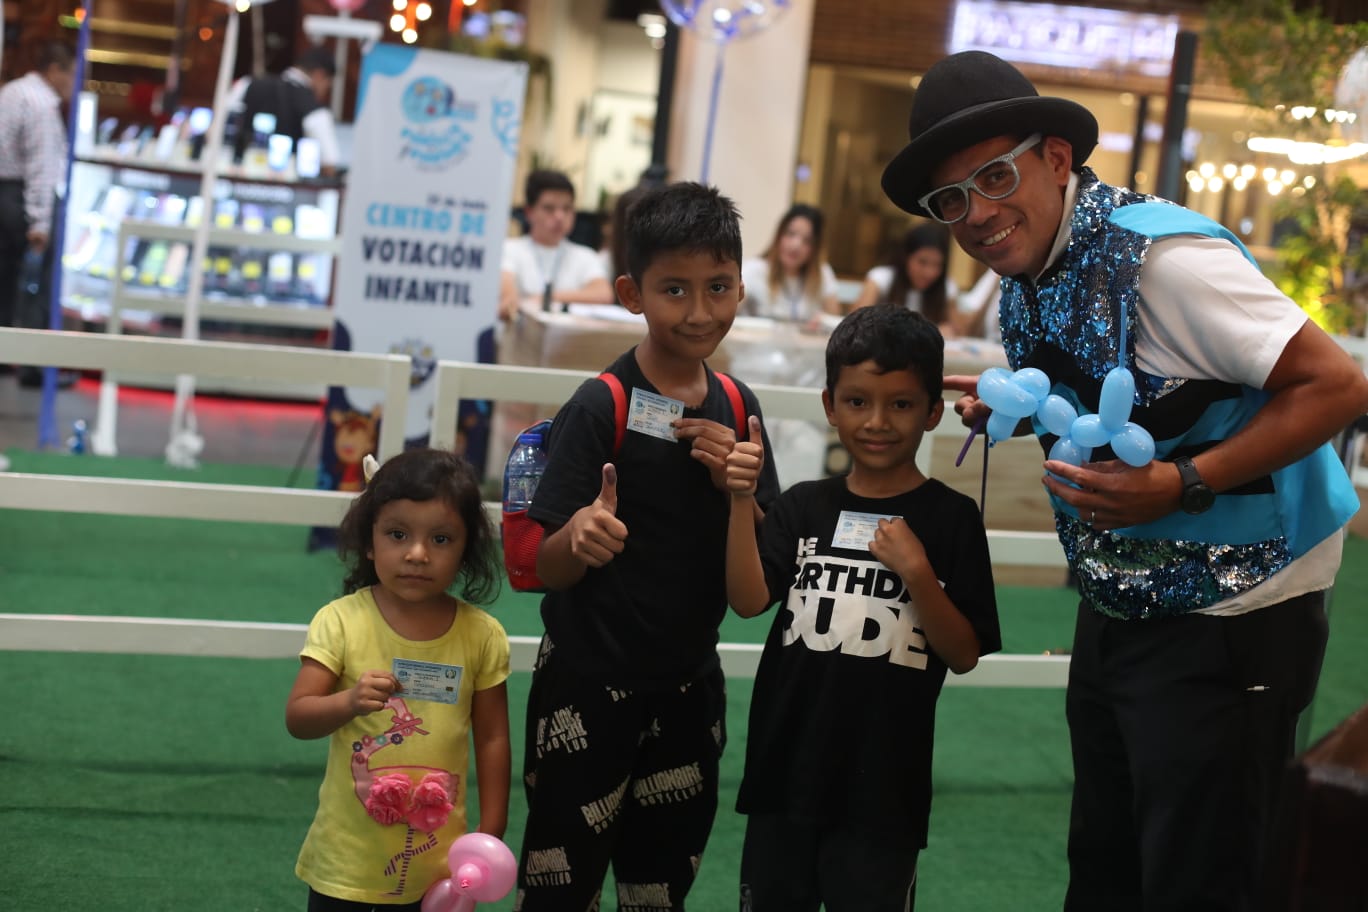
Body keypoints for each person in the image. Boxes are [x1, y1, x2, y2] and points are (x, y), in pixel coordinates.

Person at [879, 49, 1368, 911]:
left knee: (1199, 874)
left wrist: (1185, 482)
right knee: (1107, 861)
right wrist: (1023, 407)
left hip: (1239, 601)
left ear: (1056, 159)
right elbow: (1131, 391)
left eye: (994, 177)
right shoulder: (1026, 272)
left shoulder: (1167, 262)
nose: (977, 215)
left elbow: (1338, 384)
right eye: (951, 200)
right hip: (1121, 593)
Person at [514, 181, 781, 910]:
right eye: (675, 290)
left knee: (660, 890)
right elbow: (541, 564)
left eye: (718, 287)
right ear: (632, 293)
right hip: (586, 685)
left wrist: (740, 493)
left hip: (689, 689)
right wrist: (580, 536)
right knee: (558, 885)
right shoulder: (603, 402)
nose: (700, 311)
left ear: (740, 286)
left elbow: (753, 593)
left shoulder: (737, 407)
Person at [724, 305, 1001, 911]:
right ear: (829, 405)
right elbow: (747, 601)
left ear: (933, 412)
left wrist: (919, 573)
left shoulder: (952, 520)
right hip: (784, 774)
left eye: (901, 404)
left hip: (885, 790)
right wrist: (740, 501)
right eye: (857, 402)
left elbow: (964, 653)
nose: (877, 422)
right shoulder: (800, 506)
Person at [286, 448, 511, 910]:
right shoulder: (341, 622)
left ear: (467, 548)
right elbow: (299, 717)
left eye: (442, 539)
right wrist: (347, 702)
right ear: (370, 542)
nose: (417, 554)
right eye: (397, 534)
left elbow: (493, 737)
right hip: (345, 866)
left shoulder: (482, 635)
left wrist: (491, 831)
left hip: (440, 870)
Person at [0, 41, 75, 382]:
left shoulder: (14, 91)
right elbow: (41, 168)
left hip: (5, 196)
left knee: (4, 283)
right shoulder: (43, 104)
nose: (75, 82)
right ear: (55, 70)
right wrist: (41, 221)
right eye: (73, 73)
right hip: (18, 200)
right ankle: (33, 366)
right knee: (36, 287)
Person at [498, 169, 613, 319]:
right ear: (529, 212)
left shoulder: (585, 255)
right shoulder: (509, 249)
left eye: (566, 209)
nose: (559, 216)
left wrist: (541, 299)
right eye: (549, 208)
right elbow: (508, 299)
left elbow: (603, 294)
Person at [230, 45, 341, 175]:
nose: (325, 90)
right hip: (288, 188)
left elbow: (216, 130)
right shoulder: (315, 110)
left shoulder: (246, 84)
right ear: (319, 75)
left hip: (235, 178)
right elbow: (329, 163)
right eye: (328, 84)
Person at [741, 203, 841, 324]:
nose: (796, 245)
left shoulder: (823, 273)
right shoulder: (754, 270)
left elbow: (836, 324)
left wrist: (824, 319)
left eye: (807, 241)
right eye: (791, 234)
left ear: (815, 249)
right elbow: (728, 315)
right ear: (779, 235)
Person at [852, 222, 960, 331]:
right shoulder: (881, 278)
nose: (929, 272)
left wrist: (947, 330)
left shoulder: (947, 287)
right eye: (922, 262)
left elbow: (958, 331)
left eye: (937, 264)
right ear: (905, 257)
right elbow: (855, 323)